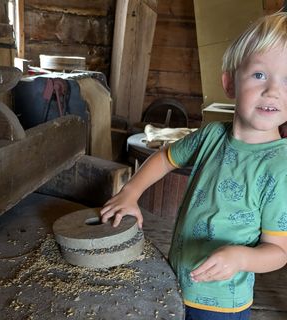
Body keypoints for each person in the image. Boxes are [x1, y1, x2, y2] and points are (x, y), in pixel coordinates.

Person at [100, 12, 287, 320]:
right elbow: (163, 157)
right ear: (229, 82)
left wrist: (240, 258)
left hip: (221, 302)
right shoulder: (211, 135)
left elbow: (278, 252)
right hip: (175, 278)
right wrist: (130, 192)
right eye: (259, 75)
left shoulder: (279, 169)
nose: (273, 91)